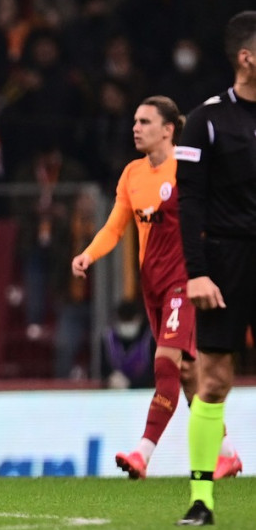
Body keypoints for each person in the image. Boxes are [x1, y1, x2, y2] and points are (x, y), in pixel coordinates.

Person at [71, 95, 240, 481]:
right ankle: (227, 454)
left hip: (185, 279)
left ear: (168, 130)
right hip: (153, 283)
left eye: (145, 121)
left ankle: (142, 453)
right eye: (134, 121)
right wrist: (88, 255)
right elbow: (115, 226)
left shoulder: (189, 168)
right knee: (188, 374)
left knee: (165, 362)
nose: (136, 127)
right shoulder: (132, 174)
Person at [175, 11, 256, 527]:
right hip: (227, 259)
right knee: (215, 380)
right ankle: (201, 499)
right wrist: (197, 272)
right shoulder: (204, 121)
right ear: (247, 58)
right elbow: (189, 203)